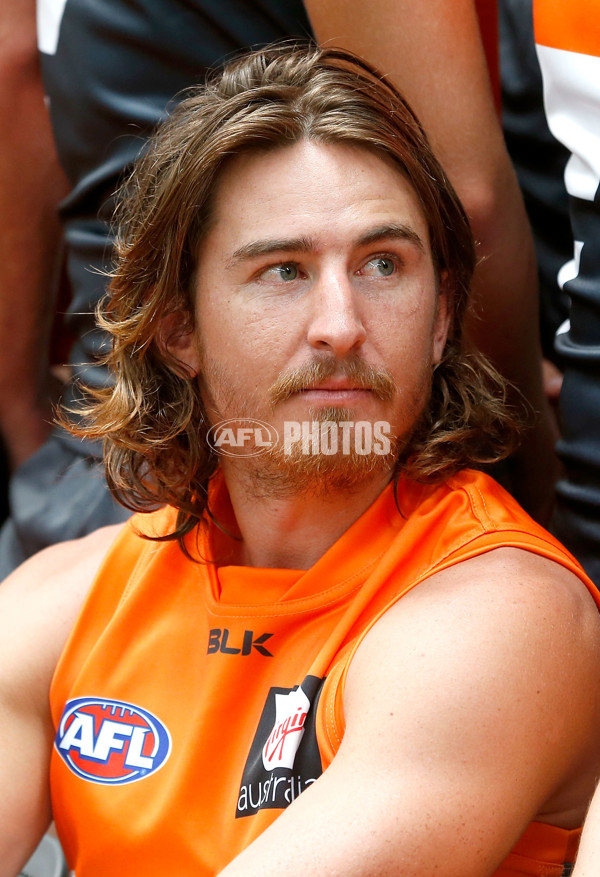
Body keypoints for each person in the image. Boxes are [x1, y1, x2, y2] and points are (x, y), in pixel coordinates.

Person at [2, 45, 600, 877]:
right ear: (179, 327)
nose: (340, 324)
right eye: (283, 270)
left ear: (441, 318)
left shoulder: (504, 617)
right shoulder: (65, 601)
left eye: (382, 265)